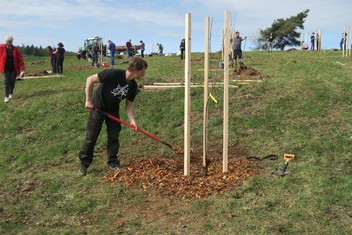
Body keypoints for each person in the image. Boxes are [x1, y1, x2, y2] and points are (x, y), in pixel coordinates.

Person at [78, 57, 148, 176]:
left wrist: (133, 121)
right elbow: (90, 80)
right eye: (143, 71)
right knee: (91, 137)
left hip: (113, 110)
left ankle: (113, 162)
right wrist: (88, 100)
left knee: (113, 137)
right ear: (135, 69)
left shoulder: (133, 86)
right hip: (98, 108)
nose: (144, 73)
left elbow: (129, 105)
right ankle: (84, 164)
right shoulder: (112, 74)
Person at [0, 36, 25, 103]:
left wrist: (22, 68)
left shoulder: (15, 49)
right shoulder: (1, 48)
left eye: (10, 42)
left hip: (14, 68)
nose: (8, 43)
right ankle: (6, 96)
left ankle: (11, 93)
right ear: (5, 42)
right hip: (5, 68)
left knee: (12, 82)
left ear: (12, 42)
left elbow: (20, 59)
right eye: (7, 42)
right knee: (6, 82)